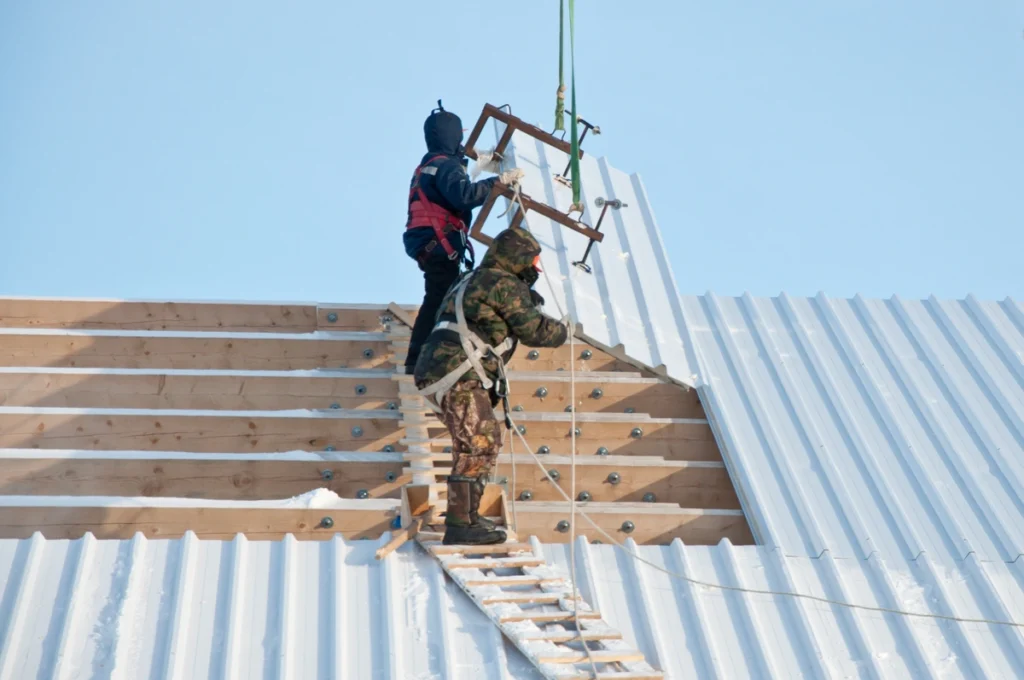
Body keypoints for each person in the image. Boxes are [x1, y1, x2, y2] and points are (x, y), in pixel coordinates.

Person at [414, 227, 569, 545]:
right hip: (458, 370)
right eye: (532, 262)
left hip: (440, 367)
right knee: (481, 442)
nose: (534, 270)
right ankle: (461, 524)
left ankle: (467, 518)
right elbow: (535, 331)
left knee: (474, 443)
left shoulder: (471, 278)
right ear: (518, 259)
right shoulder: (502, 282)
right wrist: (565, 329)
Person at [403, 100, 523, 374]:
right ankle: (421, 360)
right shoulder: (447, 166)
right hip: (438, 244)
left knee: (441, 297)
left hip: (428, 242)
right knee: (440, 300)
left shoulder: (428, 165)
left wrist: (480, 162)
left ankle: (427, 356)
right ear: (453, 136)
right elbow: (464, 196)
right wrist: (498, 183)